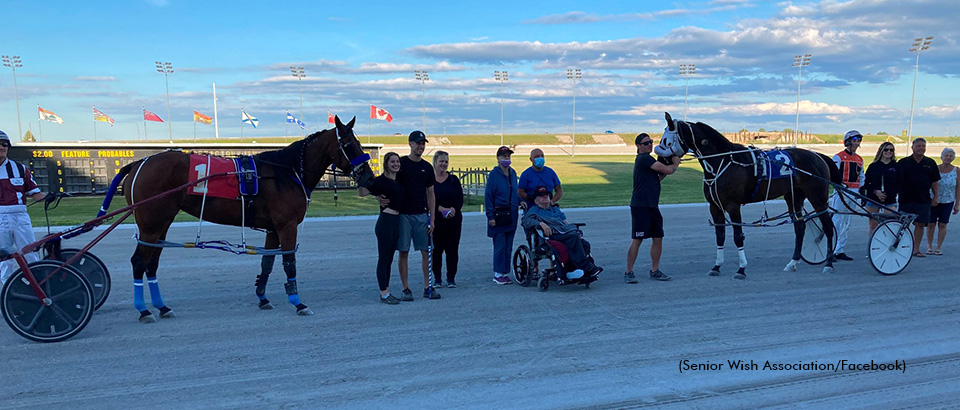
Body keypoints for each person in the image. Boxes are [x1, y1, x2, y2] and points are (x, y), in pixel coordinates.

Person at [625, 133, 680, 283]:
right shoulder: (644, 159)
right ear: (638, 146)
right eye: (645, 143)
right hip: (640, 206)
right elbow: (668, 170)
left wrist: (669, 167)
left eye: (650, 142)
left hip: (652, 205)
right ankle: (629, 272)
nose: (649, 144)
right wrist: (675, 163)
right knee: (638, 239)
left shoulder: (647, 161)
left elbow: (658, 177)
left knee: (658, 238)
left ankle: (655, 270)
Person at [395, 131, 440, 300]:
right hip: (403, 215)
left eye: (423, 144)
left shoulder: (427, 167)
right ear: (410, 144)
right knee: (404, 251)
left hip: (422, 214)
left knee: (427, 251)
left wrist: (432, 219)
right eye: (418, 143)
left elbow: (431, 193)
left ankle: (428, 287)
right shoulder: (401, 164)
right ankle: (405, 288)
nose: (421, 146)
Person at [521, 186, 601, 279]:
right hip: (551, 235)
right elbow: (525, 221)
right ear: (536, 201)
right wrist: (541, 223)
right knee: (573, 238)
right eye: (541, 196)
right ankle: (587, 268)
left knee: (584, 244)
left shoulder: (555, 210)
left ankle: (576, 270)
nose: (545, 196)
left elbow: (565, 223)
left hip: (564, 233)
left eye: (547, 195)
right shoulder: (534, 210)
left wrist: (575, 230)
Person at [0, 130, 47, 285]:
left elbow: (35, 194)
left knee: (30, 253)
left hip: (20, 217)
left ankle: (38, 286)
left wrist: (51, 197)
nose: (1, 147)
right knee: (4, 259)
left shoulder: (20, 169)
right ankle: (9, 292)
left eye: (4, 144)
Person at [358, 152, 404, 304]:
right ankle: (384, 293)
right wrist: (361, 179)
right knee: (384, 259)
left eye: (397, 161)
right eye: (392, 162)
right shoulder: (381, 180)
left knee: (389, 258)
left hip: (396, 221)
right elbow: (362, 192)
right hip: (385, 222)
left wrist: (377, 196)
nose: (396, 164)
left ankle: (386, 290)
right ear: (386, 164)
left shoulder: (398, 180)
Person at [897, 138, 940, 258]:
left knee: (920, 224)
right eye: (919, 146)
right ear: (912, 147)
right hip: (906, 199)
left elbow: (935, 182)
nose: (921, 148)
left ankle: (915, 249)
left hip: (924, 200)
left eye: (923, 146)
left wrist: (936, 196)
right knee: (902, 225)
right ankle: (900, 247)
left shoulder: (930, 163)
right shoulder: (903, 162)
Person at [485, 146, 520, 285]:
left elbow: (515, 192)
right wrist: (490, 216)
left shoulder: (512, 173)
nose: (507, 159)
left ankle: (505, 272)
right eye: (504, 156)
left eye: (508, 156)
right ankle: (498, 273)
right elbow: (488, 196)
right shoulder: (494, 175)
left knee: (508, 246)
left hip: (511, 215)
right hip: (499, 215)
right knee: (500, 245)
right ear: (498, 158)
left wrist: (521, 202)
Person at [830, 130, 865, 261]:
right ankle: (831, 249)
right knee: (837, 220)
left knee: (847, 222)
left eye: (859, 140)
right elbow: (833, 175)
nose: (857, 142)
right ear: (848, 141)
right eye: (855, 139)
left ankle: (840, 249)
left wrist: (862, 189)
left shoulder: (859, 159)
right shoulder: (838, 157)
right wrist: (839, 186)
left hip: (853, 192)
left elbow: (861, 176)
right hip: (841, 191)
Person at [431, 150, 463, 288]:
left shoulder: (453, 180)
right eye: (441, 161)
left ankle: (451, 278)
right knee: (436, 251)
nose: (444, 164)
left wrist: (454, 208)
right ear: (435, 162)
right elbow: (426, 199)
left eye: (446, 162)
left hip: (453, 221)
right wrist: (440, 208)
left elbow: (459, 198)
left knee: (452, 250)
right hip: (436, 220)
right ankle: (437, 279)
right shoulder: (430, 180)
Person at [863, 142, 902, 236]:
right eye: (886, 149)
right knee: (873, 224)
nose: (889, 152)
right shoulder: (873, 166)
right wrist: (875, 191)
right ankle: (872, 245)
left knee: (889, 224)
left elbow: (900, 183)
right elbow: (865, 183)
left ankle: (886, 245)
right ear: (881, 151)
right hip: (873, 198)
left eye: (891, 150)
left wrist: (890, 194)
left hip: (890, 199)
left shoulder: (896, 166)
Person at [925, 148, 959, 255]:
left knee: (943, 224)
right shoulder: (935, 169)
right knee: (931, 224)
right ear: (942, 157)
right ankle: (930, 246)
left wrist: (957, 204)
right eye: (946, 155)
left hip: (948, 201)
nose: (948, 158)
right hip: (934, 200)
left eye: (950, 156)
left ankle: (938, 247)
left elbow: (958, 188)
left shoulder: (956, 170)